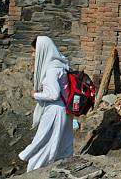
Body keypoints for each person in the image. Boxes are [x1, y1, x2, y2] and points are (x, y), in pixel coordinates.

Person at [19, 36, 74, 172]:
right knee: (61, 141)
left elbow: (53, 94)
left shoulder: (50, 69)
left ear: (42, 51)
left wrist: (34, 94)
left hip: (54, 110)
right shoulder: (60, 64)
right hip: (65, 109)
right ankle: (61, 167)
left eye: (34, 51)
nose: (33, 55)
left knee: (43, 141)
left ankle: (35, 171)